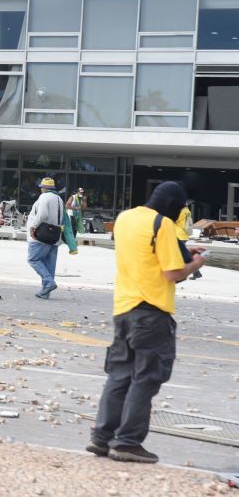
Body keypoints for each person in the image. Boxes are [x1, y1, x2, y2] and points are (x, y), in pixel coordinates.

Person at [88, 181, 206, 464]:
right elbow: (172, 274)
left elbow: (145, 254)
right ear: (173, 207)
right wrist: (196, 263)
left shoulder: (126, 218)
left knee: (119, 375)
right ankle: (127, 442)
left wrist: (184, 249)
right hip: (151, 311)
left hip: (123, 308)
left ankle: (101, 438)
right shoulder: (162, 225)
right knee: (146, 378)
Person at [26, 177, 64, 299]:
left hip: (42, 234)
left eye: (41, 187)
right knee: (49, 264)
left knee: (33, 259)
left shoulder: (44, 197)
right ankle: (45, 292)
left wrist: (33, 227)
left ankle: (49, 282)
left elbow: (42, 214)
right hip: (55, 235)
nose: (41, 189)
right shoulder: (59, 198)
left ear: (44, 188)